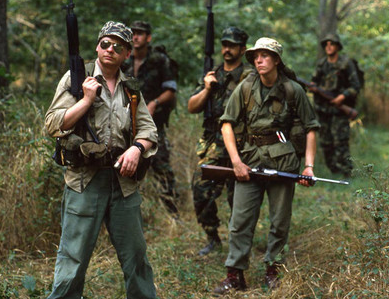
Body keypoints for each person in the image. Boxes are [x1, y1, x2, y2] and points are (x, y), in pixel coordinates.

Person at [45, 21, 158, 299]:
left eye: (118, 46)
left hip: (123, 183)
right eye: (105, 43)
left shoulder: (130, 87)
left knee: (136, 257)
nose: (110, 49)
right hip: (85, 182)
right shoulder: (75, 79)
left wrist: (137, 149)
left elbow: (149, 129)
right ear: (97, 46)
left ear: (127, 54)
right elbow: (52, 124)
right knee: (73, 258)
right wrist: (84, 100)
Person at [213, 37, 320, 294]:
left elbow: (311, 128)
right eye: (256, 56)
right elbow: (226, 123)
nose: (259, 60)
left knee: (280, 221)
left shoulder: (293, 90)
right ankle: (235, 275)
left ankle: (273, 271)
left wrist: (308, 167)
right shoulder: (246, 88)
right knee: (239, 220)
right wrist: (236, 162)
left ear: (276, 60)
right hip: (249, 162)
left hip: (283, 163)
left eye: (264, 55)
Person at [187, 26, 253, 256]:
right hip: (213, 146)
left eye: (233, 45)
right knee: (201, 191)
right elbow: (192, 106)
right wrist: (207, 89)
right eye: (225, 44)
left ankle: (240, 243)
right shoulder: (212, 74)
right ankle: (213, 238)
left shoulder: (250, 77)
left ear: (242, 49)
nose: (227, 49)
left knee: (239, 200)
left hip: (241, 145)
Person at [122, 20, 179, 215]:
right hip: (126, 122)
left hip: (154, 124)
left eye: (140, 33)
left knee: (161, 164)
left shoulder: (159, 60)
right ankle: (129, 210)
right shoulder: (124, 60)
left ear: (148, 37)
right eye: (133, 33)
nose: (136, 36)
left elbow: (171, 90)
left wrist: (154, 103)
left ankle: (171, 212)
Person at [309, 33, 360, 178]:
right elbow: (314, 82)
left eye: (332, 44)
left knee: (341, 142)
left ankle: (347, 172)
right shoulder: (321, 64)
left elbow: (355, 86)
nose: (328, 47)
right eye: (326, 44)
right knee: (326, 143)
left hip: (339, 110)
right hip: (323, 110)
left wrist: (341, 97)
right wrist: (313, 87)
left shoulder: (346, 63)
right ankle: (334, 172)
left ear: (337, 46)